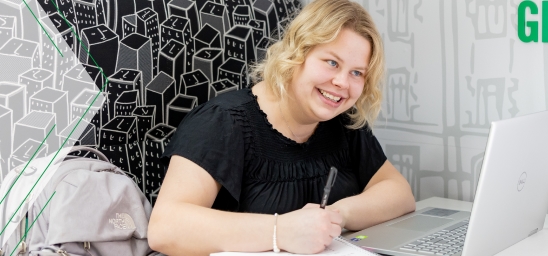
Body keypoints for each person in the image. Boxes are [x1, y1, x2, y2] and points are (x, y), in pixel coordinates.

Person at [146, 0, 416, 255]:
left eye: (357, 72)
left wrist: (336, 215)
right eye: (332, 62)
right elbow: (165, 228)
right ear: (297, 53)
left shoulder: (344, 122)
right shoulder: (223, 121)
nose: (342, 82)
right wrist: (281, 231)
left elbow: (399, 194)